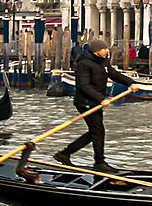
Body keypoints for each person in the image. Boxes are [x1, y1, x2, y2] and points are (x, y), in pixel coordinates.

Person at [54, 36, 136, 169]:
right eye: (104, 48)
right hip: (85, 102)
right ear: (96, 51)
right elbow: (84, 86)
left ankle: (66, 154)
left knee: (96, 131)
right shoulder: (83, 64)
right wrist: (101, 98)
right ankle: (98, 162)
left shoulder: (103, 62)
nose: (107, 50)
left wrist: (131, 83)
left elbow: (115, 75)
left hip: (96, 101)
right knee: (97, 131)